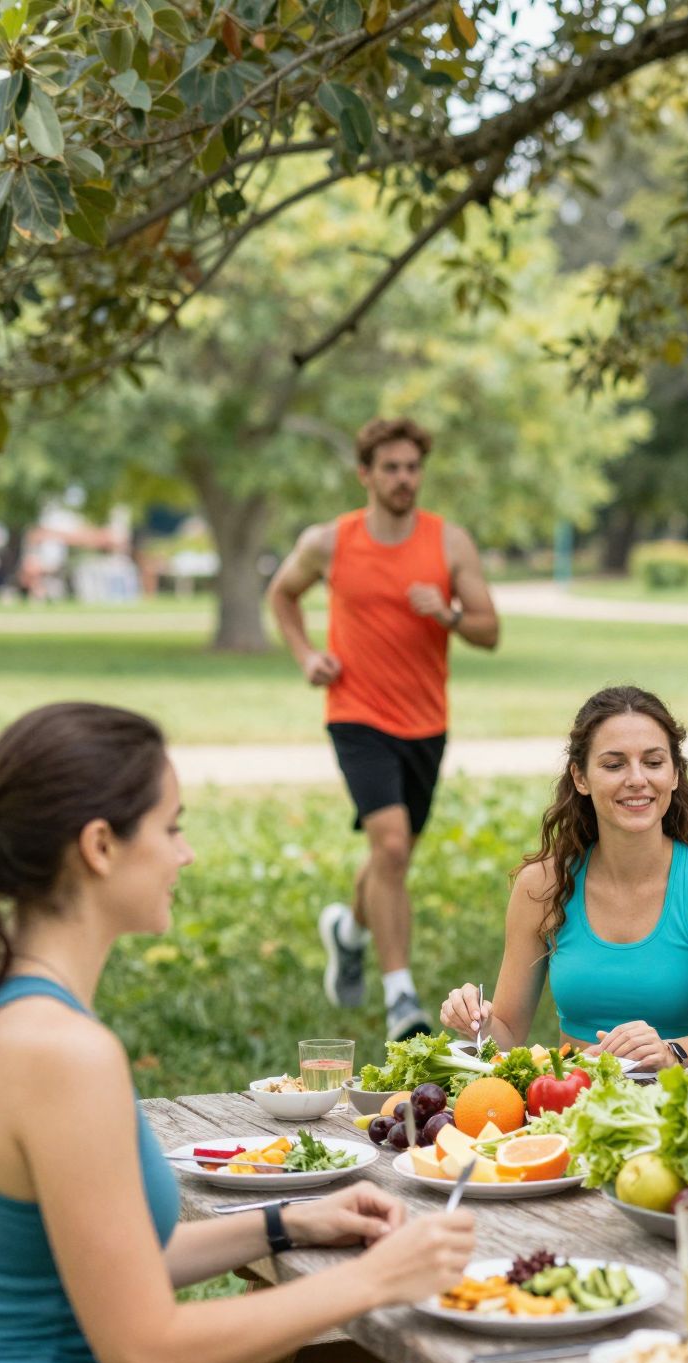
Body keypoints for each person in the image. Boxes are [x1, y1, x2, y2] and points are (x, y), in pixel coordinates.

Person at [0, 702, 511, 1363]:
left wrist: (291, 1222)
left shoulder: (15, 1013)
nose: (186, 852)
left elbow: (119, 1265)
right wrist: (373, 1282)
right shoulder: (61, 1053)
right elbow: (145, 1350)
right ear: (100, 847)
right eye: (171, 828)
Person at [268, 417, 501, 1041]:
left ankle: (348, 932)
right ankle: (402, 997)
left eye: (412, 468)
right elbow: (282, 595)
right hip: (355, 714)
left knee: (390, 855)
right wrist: (306, 656)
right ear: (365, 474)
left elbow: (490, 630)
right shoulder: (330, 541)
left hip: (426, 722)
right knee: (392, 847)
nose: (404, 479)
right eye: (391, 467)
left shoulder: (450, 543)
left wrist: (447, 612)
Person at [438, 685, 688, 1072]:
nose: (637, 779)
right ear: (580, 777)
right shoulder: (542, 885)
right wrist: (477, 1021)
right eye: (614, 764)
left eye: (653, 762)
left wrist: (668, 1052)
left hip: (683, 1108)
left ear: (674, 775)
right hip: (573, 1106)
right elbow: (507, 1034)